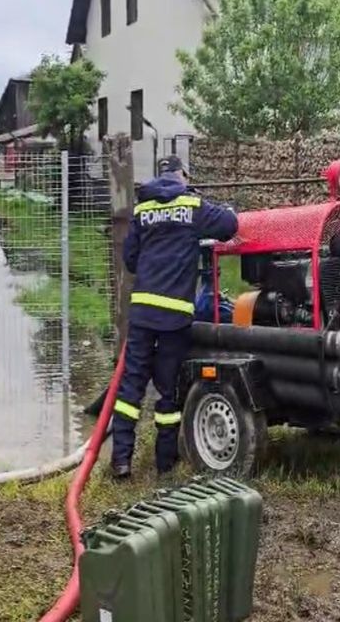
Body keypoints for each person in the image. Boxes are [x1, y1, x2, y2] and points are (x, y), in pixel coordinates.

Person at [111, 155, 238, 479]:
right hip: (175, 316)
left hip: (142, 311)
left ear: (160, 176)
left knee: (131, 387)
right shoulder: (192, 205)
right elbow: (229, 226)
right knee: (169, 390)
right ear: (183, 176)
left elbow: (130, 260)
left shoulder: (143, 209)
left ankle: (121, 461)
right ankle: (164, 462)